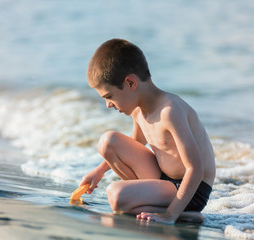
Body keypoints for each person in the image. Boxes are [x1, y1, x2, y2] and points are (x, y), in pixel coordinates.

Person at [80, 39, 216, 225]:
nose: (108, 105)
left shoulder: (170, 111)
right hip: (163, 181)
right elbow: (134, 144)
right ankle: (147, 201)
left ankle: (182, 212)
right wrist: (98, 172)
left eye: (109, 97)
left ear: (130, 83)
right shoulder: (138, 110)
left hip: (191, 188)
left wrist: (170, 216)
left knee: (116, 195)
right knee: (108, 142)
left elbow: (195, 169)